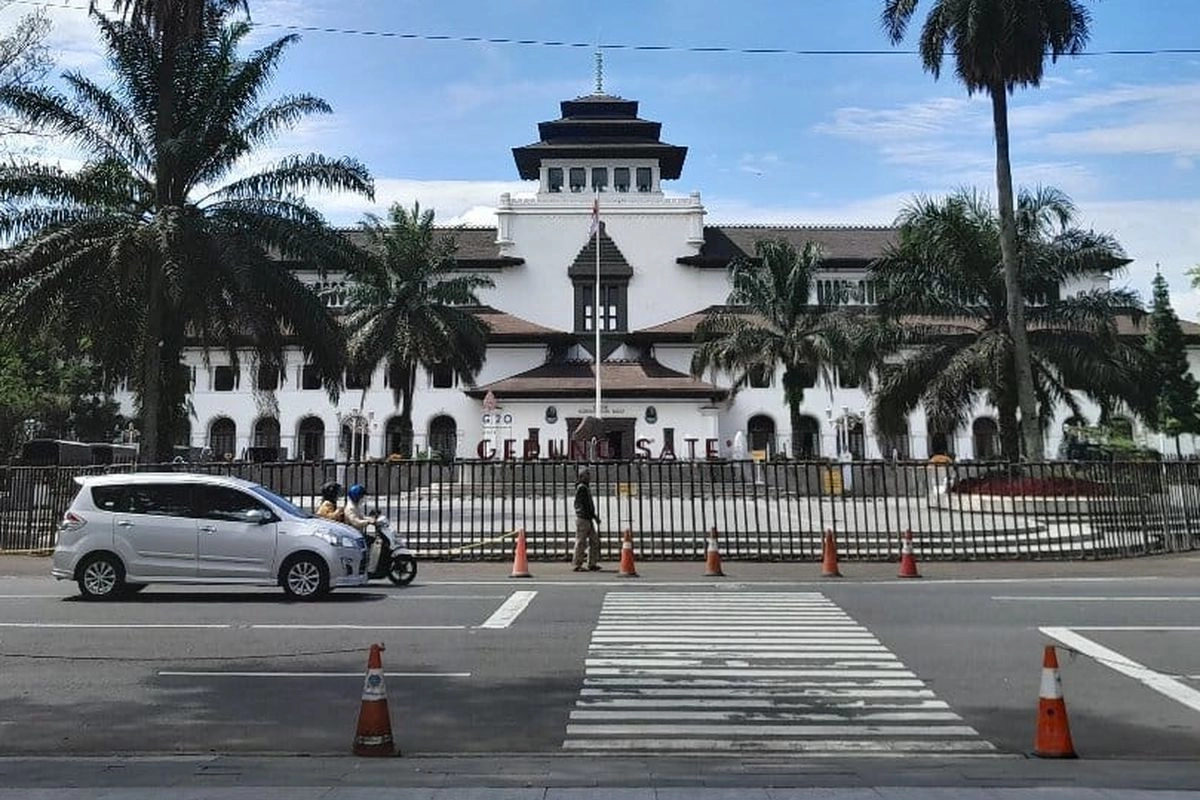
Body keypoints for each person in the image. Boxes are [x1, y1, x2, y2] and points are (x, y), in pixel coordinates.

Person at [572, 468, 601, 572]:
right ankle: (577, 564)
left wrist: (593, 516)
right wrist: (591, 515)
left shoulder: (585, 488)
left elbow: (588, 505)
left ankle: (591, 563)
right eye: (587, 475)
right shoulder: (582, 488)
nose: (589, 477)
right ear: (581, 477)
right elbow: (583, 505)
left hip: (587, 518)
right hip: (583, 518)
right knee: (581, 542)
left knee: (593, 541)